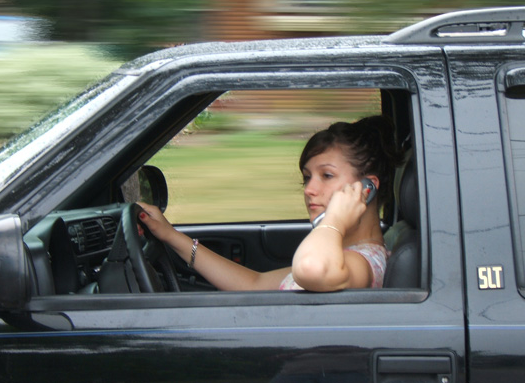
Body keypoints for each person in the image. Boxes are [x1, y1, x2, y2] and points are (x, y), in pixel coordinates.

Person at [138, 115, 404, 292]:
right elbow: (255, 283)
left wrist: (333, 220)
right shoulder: (341, 255)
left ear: (365, 189)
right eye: (307, 178)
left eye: (327, 175)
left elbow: (311, 268)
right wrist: (171, 236)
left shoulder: (363, 263)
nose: (310, 190)